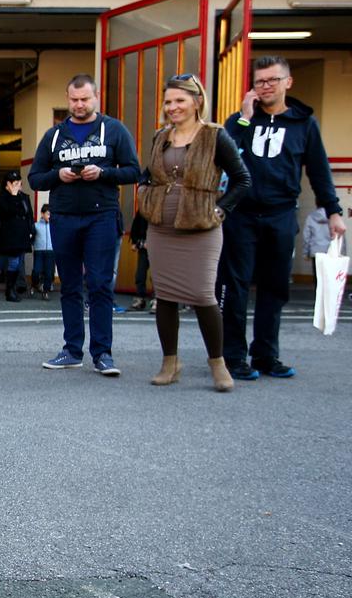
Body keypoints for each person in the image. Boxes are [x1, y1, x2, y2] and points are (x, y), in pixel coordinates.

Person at [220, 55, 346, 380]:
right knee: (234, 287)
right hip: (241, 216)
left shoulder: (304, 124)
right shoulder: (240, 121)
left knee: (274, 287)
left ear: (287, 82)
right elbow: (225, 156)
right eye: (260, 81)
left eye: (272, 80)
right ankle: (232, 357)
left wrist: (333, 211)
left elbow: (318, 170)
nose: (265, 87)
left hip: (280, 215)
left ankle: (265, 354)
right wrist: (246, 119)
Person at [139, 74, 251, 392]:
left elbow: (242, 179)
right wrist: (145, 193)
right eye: (168, 101)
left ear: (197, 101)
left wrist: (220, 209)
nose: (173, 107)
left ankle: (218, 364)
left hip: (202, 228)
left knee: (204, 296)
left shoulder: (215, 136)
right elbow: (149, 173)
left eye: (180, 101)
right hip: (161, 227)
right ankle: (170, 363)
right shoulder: (161, 136)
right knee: (165, 297)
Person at [29, 73, 141, 376]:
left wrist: (102, 173)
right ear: (68, 99)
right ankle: (72, 350)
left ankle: (103, 353)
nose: (79, 105)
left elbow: (134, 171)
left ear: (96, 98)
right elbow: (35, 177)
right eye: (74, 100)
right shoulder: (54, 135)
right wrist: (58, 176)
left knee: (101, 285)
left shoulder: (114, 130)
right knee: (70, 287)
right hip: (63, 218)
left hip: (101, 216)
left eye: (85, 99)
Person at [0, 169, 35, 302]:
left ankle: (13, 288)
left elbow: (28, 214)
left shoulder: (24, 197)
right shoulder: (3, 197)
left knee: (19, 262)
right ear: (8, 184)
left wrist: (31, 231)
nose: (19, 185)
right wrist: (13, 195)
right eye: (16, 183)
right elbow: (8, 212)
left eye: (19, 182)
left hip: (23, 234)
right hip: (11, 235)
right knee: (14, 262)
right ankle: (10, 290)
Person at [128, 212, 151, 311]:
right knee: (140, 274)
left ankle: (157, 299)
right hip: (143, 244)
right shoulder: (143, 209)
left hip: (158, 245)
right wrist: (134, 240)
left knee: (156, 275)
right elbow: (136, 224)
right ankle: (140, 298)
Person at [32, 204, 54, 299]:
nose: (50, 216)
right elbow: (32, 237)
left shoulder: (54, 226)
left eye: (51, 214)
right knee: (36, 270)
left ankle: (46, 291)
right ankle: (34, 284)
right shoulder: (36, 226)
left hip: (50, 252)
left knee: (49, 273)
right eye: (48, 214)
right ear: (42, 213)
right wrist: (34, 245)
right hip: (39, 251)